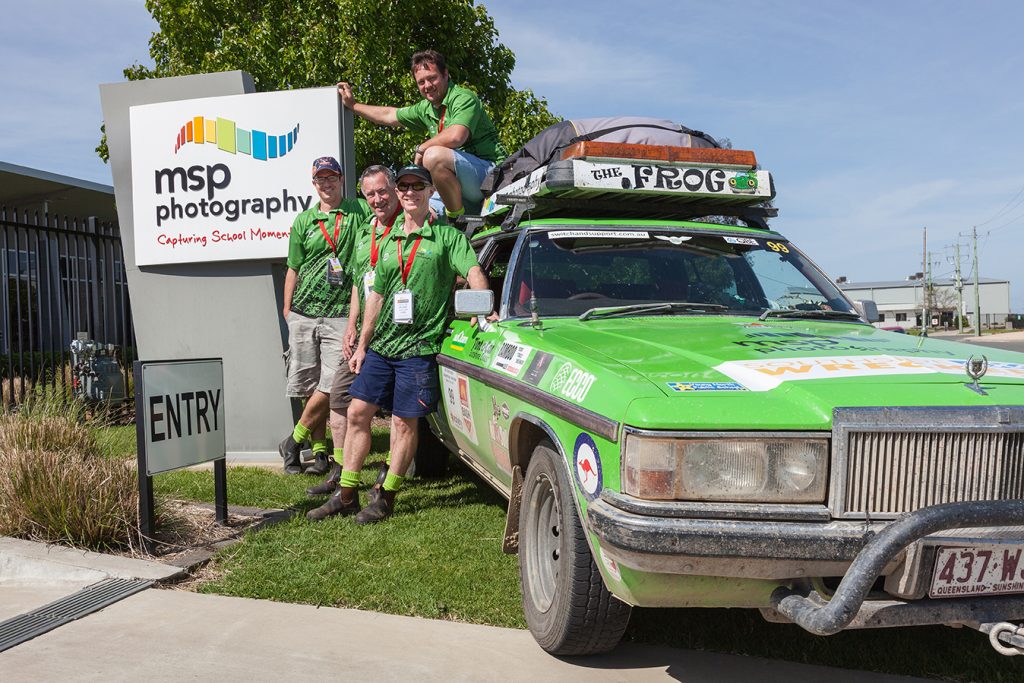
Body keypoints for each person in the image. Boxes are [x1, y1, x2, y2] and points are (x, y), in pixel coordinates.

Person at [307, 164, 489, 523]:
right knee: (358, 412)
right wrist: (362, 344)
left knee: (404, 424)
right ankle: (346, 494)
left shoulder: (447, 237)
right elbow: (375, 295)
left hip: (418, 349)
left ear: (427, 191)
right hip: (381, 347)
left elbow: (473, 272)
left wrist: (482, 304)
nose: (409, 192)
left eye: (417, 186)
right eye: (404, 186)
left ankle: (386, 496)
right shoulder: (388, 241)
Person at [306, 164, 401, 498]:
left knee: (399, 413)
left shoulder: (409, 225)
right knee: (338, 397)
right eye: (370, 193)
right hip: (362, 336)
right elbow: (360, 284)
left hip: (396, 335)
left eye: (382, 191)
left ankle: (387, 472)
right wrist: (350, 326)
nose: (377, 199)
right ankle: (341, 472)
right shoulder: (366, 231)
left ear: (394, 190)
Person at [279, 156, 369, 476]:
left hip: (341, 312)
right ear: (313, 183)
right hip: (304, 312)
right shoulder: (304, 220)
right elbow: (293, 267)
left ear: (342, 180)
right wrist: (288, 309)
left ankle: (293, 440)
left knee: (333, 384)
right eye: (321, 179)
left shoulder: (358, 210)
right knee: (308, 385)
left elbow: (391, 209)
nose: (326, 184)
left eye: (332, 178)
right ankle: (319, 453)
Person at [337, 49, 507, 220]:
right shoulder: (425, 108)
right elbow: (388, 115)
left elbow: (456, 136)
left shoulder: (463, 98)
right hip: (457, 188)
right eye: (421, 82)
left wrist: (422, 149)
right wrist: (353, 105)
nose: (427, 86)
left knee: (433, 156)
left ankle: (457, 221)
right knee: (414, 211)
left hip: (491, 177)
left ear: (446, 74)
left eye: (432, 78)